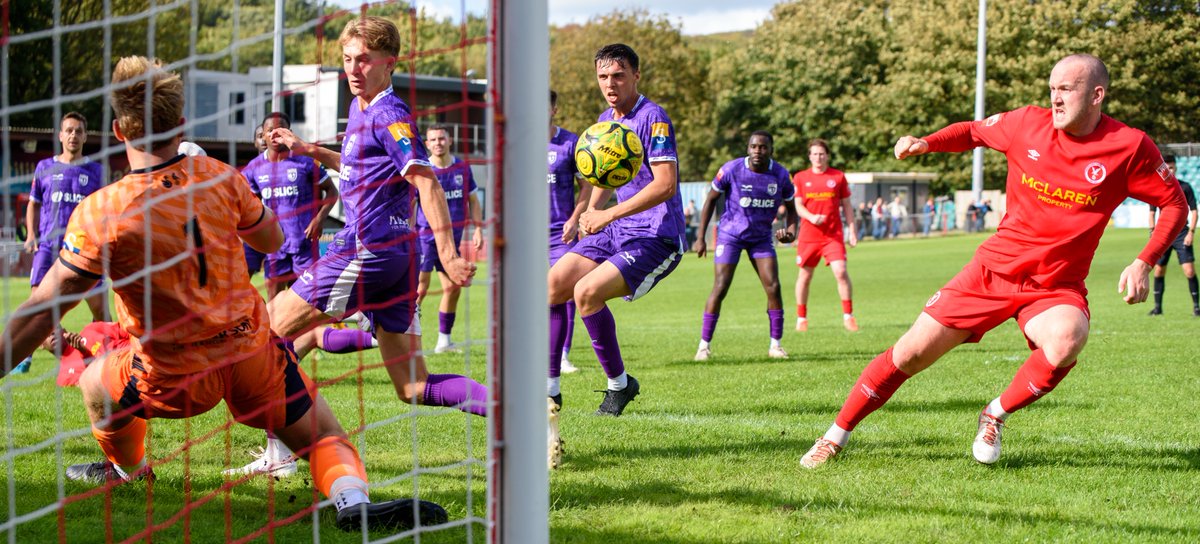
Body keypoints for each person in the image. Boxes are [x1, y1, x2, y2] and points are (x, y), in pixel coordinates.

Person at [0, 55, 447, 531]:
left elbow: (39, 309)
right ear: (181, 124)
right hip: (249, 355)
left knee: (93, 384)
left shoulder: (102, 211)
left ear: (118, 131)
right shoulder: (221, 177)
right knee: (324, 433)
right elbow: (271, 241)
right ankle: (352, 499)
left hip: (170, 372)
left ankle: (129, 471)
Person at [800, 54, 1187, 469]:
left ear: (1096, 95)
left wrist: (1144, 260)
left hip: (1054, 287)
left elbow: (1173, 204)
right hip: (991, 273)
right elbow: (972, 131)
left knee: (1067, 339)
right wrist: (926, 142)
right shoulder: (1026, 123)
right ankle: (834, 437)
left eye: (1066, 89)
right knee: (910, 354)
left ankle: (994, 414)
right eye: (1052, 88)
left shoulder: (1129, 146)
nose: (1055, 98)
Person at [265, 16, 486, 419]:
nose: (352, 69)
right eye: (347, 58)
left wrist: (450, 256)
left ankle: (282, 453)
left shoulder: (389, 114)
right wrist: (308, 149)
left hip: (367, 248)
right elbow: (358, 165)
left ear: (390, 62)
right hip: (396, 258)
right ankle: (521, 414)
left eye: (364, 60)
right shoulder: (359, 106)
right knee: (414, 386)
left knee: (270, 327)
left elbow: (427, 182)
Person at [546, 43, 686, 459]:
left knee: (586, 293)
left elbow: (665, 185)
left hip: (656, 235)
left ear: (636, 76)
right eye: (604, 77)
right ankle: (550, 388)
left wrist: (606, 215)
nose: (610, 84)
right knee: (552, 285)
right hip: (615, 227)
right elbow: (604, 173)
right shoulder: (606, 121)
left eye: (619, 76)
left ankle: (619, 384)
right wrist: (590, 211)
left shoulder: (653, 118)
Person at [693, 131, 798, 361]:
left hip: (761, 238)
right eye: (753, 146)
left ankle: (776, 345)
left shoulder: (780, 175)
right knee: (721, 286)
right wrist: (700, 237)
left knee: (774, 287)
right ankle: (703, 347)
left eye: (762, 147)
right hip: (730, 235)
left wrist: (790, 234)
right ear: (748, 148)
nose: (757, 151)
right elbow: (710, 200)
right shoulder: (731, 169)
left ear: (771, 150)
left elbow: (792, 211)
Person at [17, 112, 109, 375]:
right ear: (60, 135)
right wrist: (31, 235)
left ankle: (107, 356)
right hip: (48, 248)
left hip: (84, 248)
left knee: (101, 309)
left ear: (85, 136)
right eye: (68, 130)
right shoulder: (44, 167)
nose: (73, 135)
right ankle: (27, 354)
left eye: (78, 131)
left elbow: (104, 211)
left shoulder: (96, 171)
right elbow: (34, 204)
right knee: (37, 306)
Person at [243, 112, 339, 300]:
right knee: (274, 305)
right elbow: (247, 202)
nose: (275, 135)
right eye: (270, 131)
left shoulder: (306, 161)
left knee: (304, 305)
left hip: (303, 244)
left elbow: (332, 192)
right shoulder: (253, 168)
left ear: (289, 133)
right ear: (263, 135)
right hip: (274, 246)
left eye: (280, 130)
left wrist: (319, 220)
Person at [414, 124, 484, 354]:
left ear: (450, 140)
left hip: (452, 240)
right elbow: (411, 203)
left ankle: (444, 341)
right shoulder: (422, 170)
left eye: (441, 138)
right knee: (419, 289)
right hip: (426, 237)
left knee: (455, 287)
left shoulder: (462, 169)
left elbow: (473, 201)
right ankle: (407, 340)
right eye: (433, 139)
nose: (437, 143)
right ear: (427, 144)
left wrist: (478, 230)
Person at [547, 90, 592, 377]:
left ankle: (561, 356)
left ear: (553, 109)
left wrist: (575, 218)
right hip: (527, 235)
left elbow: (587, 186)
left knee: (565, 293)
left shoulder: (571, 143)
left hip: (560, 233)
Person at [792, 139, 858, 332]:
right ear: (809, 156)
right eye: (814, 154)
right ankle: (801, 318)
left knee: (841, 272)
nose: (818, 157)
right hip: (809, 236)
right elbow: (798, 206)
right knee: (804, 276)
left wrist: (852, 230)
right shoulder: (800, 177)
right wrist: (812, 217)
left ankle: (848, 316)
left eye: (822, 154)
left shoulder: (838, 177)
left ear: (827, 155)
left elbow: (846, 205)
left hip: (832, 235)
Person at [1147, 167, 1198, 316]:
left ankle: (1196, 307)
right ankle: (1157, 308)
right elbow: (1151, 212)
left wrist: (1191, 232)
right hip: (1164, 232)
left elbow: (1194, 211)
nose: (1169, 169)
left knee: (1189, 270)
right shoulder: (1158, 187)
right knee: (1159, 269)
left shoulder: (1185, 187)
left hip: (1182, 233)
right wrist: (1152, 231)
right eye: (1166, 167)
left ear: (1175, 167)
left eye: (1171, 167)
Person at [243, 126, 268, 278]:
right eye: (260, 136)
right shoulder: (250, 169)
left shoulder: (286, 164)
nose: (264, 139)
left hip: (281, 231)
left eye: (266, 135)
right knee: (243, 275)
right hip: (255, 231)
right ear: (254, 142)